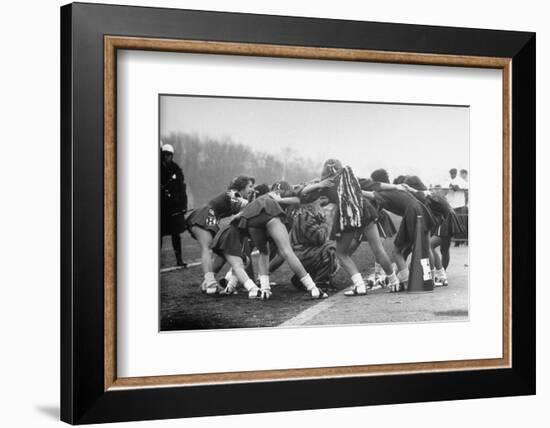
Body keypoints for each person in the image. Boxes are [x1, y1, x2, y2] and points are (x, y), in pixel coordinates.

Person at [299, 160, 400, 296]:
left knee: (341, 253)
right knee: (378, 250)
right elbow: (377, 185)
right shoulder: (351, 178)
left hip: (347, 216)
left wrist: (316, 185)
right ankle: (394, 282)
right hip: (365, 210)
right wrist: (397, 187)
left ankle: (359, 286)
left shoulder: (325, 184)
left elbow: (302, 196)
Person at [211, 189, 327, 300]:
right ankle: (313, 288)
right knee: (287, 251)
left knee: (264, 252)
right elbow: (299, 199)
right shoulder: (282, 193)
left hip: (250, 219)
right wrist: (281, 200)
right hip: (267, 212)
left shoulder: (260, 198)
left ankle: (265, 289)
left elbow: (245, 212)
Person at [361, 169, 436, 291]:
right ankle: (429, 279)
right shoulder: (396, 189)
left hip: (412, 215)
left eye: (373, 183)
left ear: (377, 182)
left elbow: (370, 195)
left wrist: (354, 190)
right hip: (422, 213)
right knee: (425, 249)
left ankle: (406, 281)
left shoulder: (385, 192)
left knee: (397, 251)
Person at [185, 175, 255, 294]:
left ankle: (207, 283)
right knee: (206, 247)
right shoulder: (234, 194)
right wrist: (253, 203)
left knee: (222, 250)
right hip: (207, 213)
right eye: (250, 186)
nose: (252, 189)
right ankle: (210, 283)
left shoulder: (234, 195)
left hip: (211, 215)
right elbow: (241, 203)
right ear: (241, 187)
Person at [401, 175, 465, 286]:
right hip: (446, 220)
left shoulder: (428, 194)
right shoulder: (430, 194)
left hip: (447, 221)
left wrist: (410, 189)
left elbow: (425, 195)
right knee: (440, 248)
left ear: (413, 186)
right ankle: (441, 275)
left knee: (429, 246)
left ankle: (440, 275)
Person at [160, 143, 188, 267]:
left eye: (169, 155)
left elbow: (182, 188)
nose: (167, 157)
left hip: (174, 207)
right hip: (160, 207)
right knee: (158, 234)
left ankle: (179, 259)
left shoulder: (176, 169)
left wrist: (183, 205)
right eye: (165, 155)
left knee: (176, 234)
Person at [444, 168, 468, 246]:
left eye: (454, 173)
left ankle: (460, 241)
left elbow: (461, 188)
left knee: (460, 223)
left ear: (456, 173)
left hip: (459, 205)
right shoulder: (448, 180)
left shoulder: (461, 181)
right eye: (451, 173)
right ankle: (454, 240)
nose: (452, 174)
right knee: (452, 223)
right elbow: (445, 189)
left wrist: (455, 187)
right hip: (450, 205)